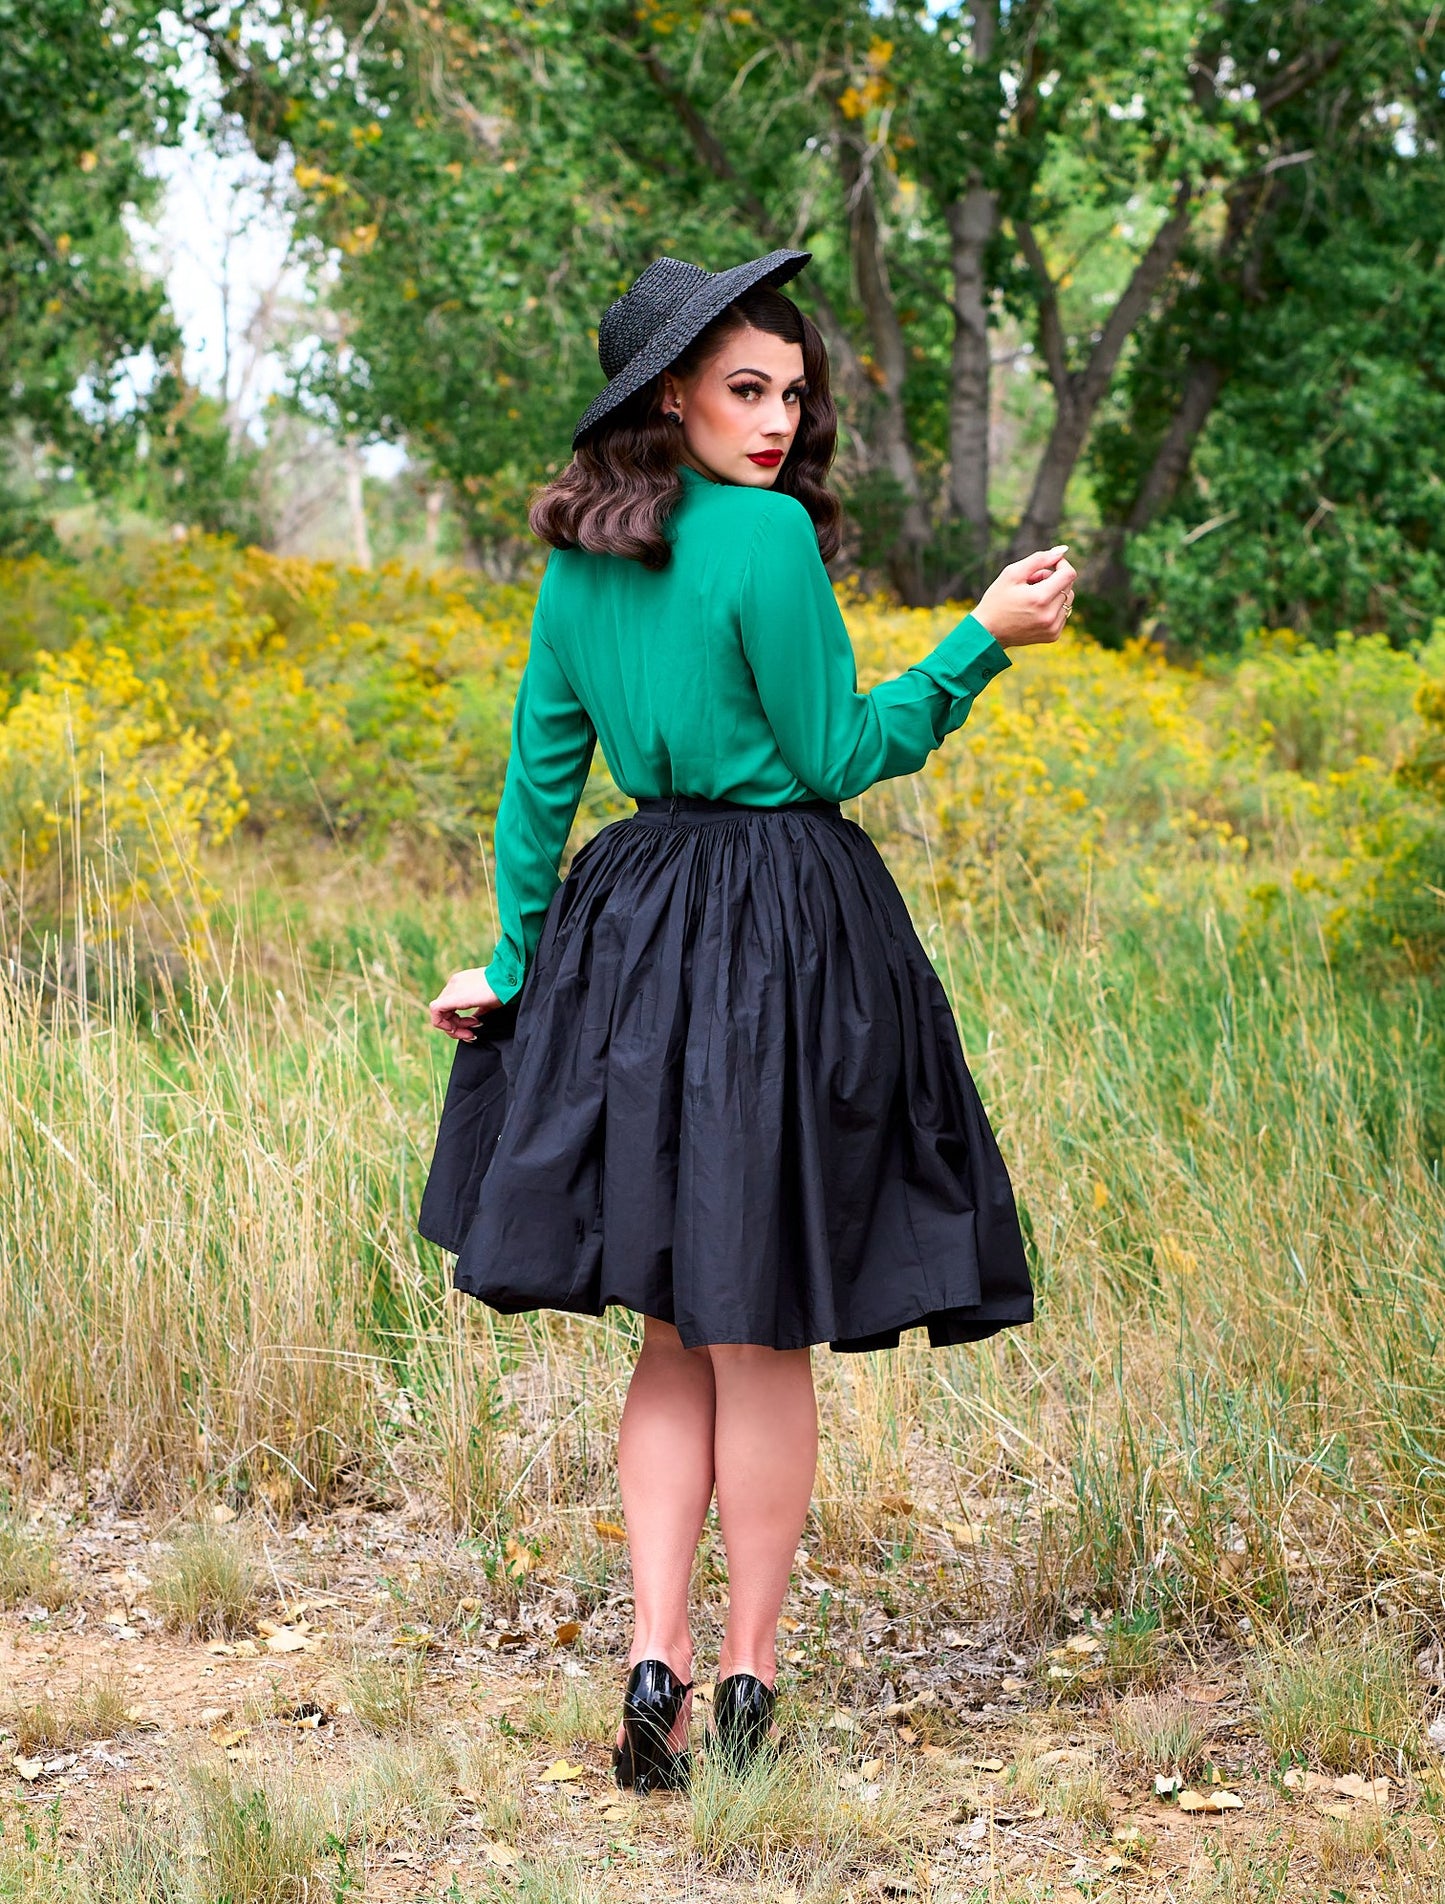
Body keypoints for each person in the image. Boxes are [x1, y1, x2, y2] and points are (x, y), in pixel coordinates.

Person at [421, 248, 1072, 1794]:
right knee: (758, 1321)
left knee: (668, 1320)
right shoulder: (768, 542)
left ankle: (648, 1653)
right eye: (745, 390)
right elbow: (842, 750)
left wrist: (514, 964)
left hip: (631, 924)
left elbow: (538, 786)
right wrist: (981, 639)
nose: (777, 421)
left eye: (791, 393)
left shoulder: (582, 561)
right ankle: (742, 1682)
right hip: (782, 927)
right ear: (672, 393)